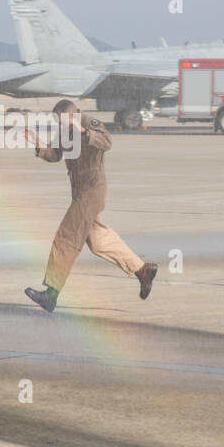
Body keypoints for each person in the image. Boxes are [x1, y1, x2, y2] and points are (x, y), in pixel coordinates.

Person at [23, 99, 156, 312]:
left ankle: (51, 294)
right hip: (81, 194)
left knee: (67, 236)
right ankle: (142, 271)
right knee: (99, 241)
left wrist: (84, 131)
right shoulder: (64, 130)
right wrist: (38, 144)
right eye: (58, 122)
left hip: (92, 192)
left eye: (63, 121)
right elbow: (56, 155)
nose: (60, 125)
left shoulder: (90, 123)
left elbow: (107, 142)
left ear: (73, 115)